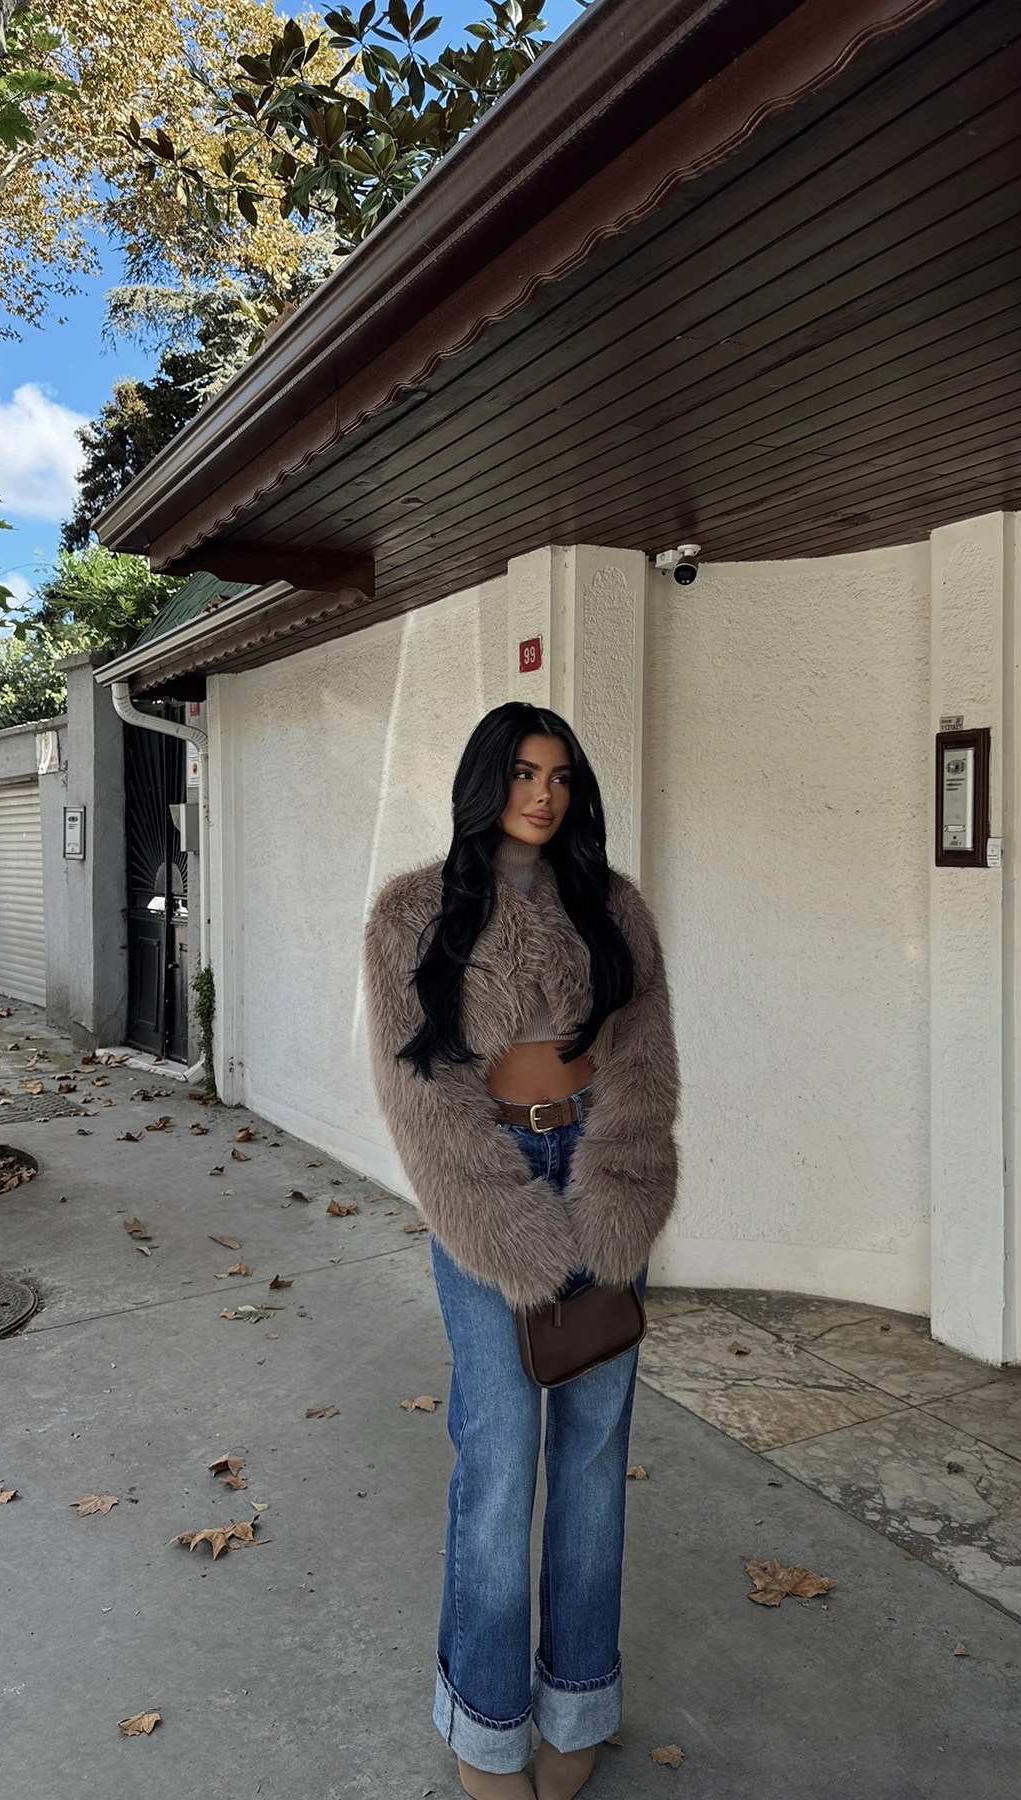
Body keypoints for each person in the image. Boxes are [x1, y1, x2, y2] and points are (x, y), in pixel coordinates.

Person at [363, 702, 679, 1800]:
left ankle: (578, 1701)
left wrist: (619, 1190)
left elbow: (644, 1059)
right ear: (485, 780)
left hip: (601, 1172)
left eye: (560, 776)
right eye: (523, 773)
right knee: (497, 1461)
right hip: (486, 1188)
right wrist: (505, 1219)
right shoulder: (412, 912)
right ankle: (488, 1726)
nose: (543, 795)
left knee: (591, 1462)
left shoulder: (613, 905)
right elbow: (420, 1094)